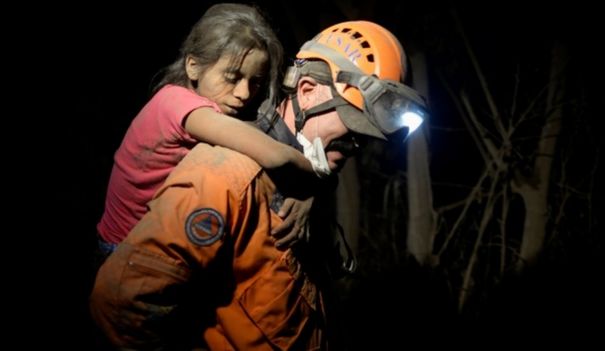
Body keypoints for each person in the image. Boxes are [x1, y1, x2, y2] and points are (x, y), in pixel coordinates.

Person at [90, 20, 427, 350]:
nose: (356, 146)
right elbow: (120, 305)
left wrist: (314, 187)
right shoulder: (224, 175)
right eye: (353, 128)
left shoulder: (312, 184)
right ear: (307, 92)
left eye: (366, 138)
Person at [96, 3, 316, 258]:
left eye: (254, 82)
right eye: (232, 77)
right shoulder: (181, 106)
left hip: (146, 239)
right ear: (193, 66)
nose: (244, 93)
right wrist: (316, 181)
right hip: (124, 252)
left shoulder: (186, 100)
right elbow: (274, 155)